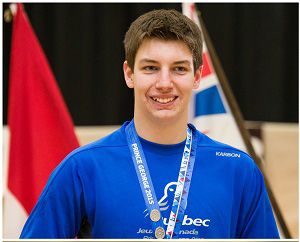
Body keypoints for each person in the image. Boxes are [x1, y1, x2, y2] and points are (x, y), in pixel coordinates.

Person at [20, 9, 279, 239]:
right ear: (129, 74)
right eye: (151, 68)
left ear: (197, 77)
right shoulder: (83, 168)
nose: (165, 83)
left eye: (179, 69)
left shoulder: (239, 170)